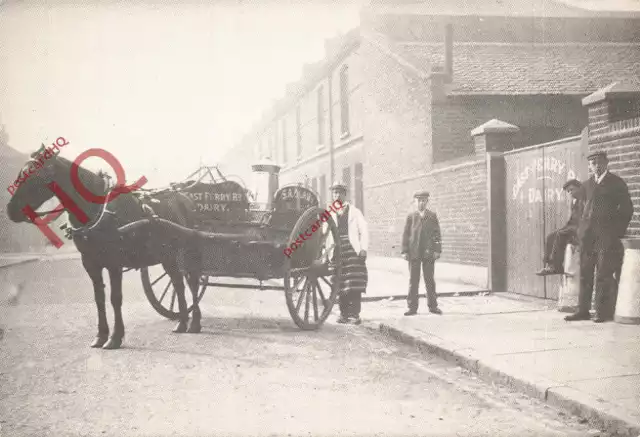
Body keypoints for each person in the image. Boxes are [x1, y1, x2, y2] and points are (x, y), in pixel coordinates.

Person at [565, 151, 633, 323]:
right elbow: (577, 211)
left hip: (606, 237)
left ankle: (602, 312)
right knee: (585, 273)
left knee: (603, 273)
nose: (596, 165)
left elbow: (626, 209)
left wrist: (615, 232)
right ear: (589, 165)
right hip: (587, 237)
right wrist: (579, 231)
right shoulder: (585, 186)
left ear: (606, 162)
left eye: (599, 161)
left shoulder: (616, 183)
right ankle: (582, 310)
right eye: (592, 162)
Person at [325, 182, 369, 325]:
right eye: (335, 192)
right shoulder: (329, 213)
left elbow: (364, 231)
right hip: (337, 251)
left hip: (352, 250)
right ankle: (343, 314)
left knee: (354, 283)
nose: (337, 195)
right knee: (340, 283)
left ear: (345, 194)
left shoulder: (355, 212)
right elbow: (324, 234)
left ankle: (355, 315)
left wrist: (363, 248)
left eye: (340, 192)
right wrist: (324, 253)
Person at [401, 191, 442, 316]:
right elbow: (406, 235)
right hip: (414, 253)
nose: (421, 203)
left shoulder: (432, 216)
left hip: (428, 253)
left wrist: (437, 250)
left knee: (429, 279)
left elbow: (437, 234)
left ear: (427, 201)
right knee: (413, 280)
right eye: (419, 200)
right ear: (415, 202)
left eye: (423, 200)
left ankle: (433, 306)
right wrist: (404, 251)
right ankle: (412, 307)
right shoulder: (411, 217)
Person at [536, 179, 584, 276]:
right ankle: (549, 265)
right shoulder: (574, 202)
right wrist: (565, 228)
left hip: (580, 230)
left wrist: (569, 229)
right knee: (550, 237)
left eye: (572, 190)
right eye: (568, 191)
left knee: (560, 234)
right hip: (571, 228)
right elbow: (572, 220)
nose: (570, 193)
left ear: (579, 188)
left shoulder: (585, 200)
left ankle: (556, 266)